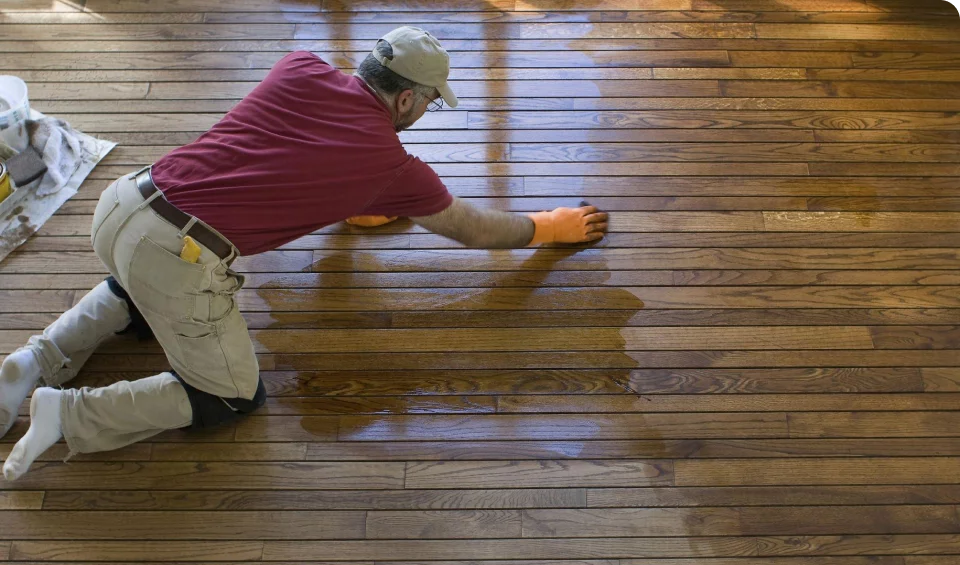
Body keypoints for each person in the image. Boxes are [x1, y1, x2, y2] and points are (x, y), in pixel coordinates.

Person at [0, 26, 608, 480]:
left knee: (140, 287)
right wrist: (549, 227)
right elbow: (474, 231)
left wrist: (358, 201)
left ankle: (27, 364)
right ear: (405, 101)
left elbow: (287, 153)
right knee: (229, 396)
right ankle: (68, 413)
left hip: (124, 203)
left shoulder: (298, 68)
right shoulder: (392, 164)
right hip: (175, 251)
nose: (427, 113)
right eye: (429, 101)